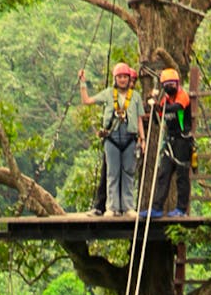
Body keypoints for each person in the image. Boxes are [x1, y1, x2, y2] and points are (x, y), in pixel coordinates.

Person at [79, 62, 144, 216]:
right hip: (112, 137)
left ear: (129, 79)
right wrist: (83, 82)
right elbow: (87, 101)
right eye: (120, 77)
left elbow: (140, 119)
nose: (122, 80)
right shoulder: (108, 93)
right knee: (112, 173)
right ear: (115, 79)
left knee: (128, 172)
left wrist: (143, 139)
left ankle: (128, 207)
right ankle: (112, 207)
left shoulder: (135, 97)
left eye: (125, 77)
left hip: (130, 137)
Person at [141, 67, 194, 218]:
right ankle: (157, 208)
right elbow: (158, 120)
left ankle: (181, 209)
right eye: (167, 84)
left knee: (182, 176)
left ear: (177, 84)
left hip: (183, 142)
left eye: (173, 84)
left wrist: (160, 107)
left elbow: (177, 108)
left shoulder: (182, 96)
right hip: (170, 141)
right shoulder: (165, 100)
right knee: (163, 174)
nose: (171, 87)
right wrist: (153, 108)